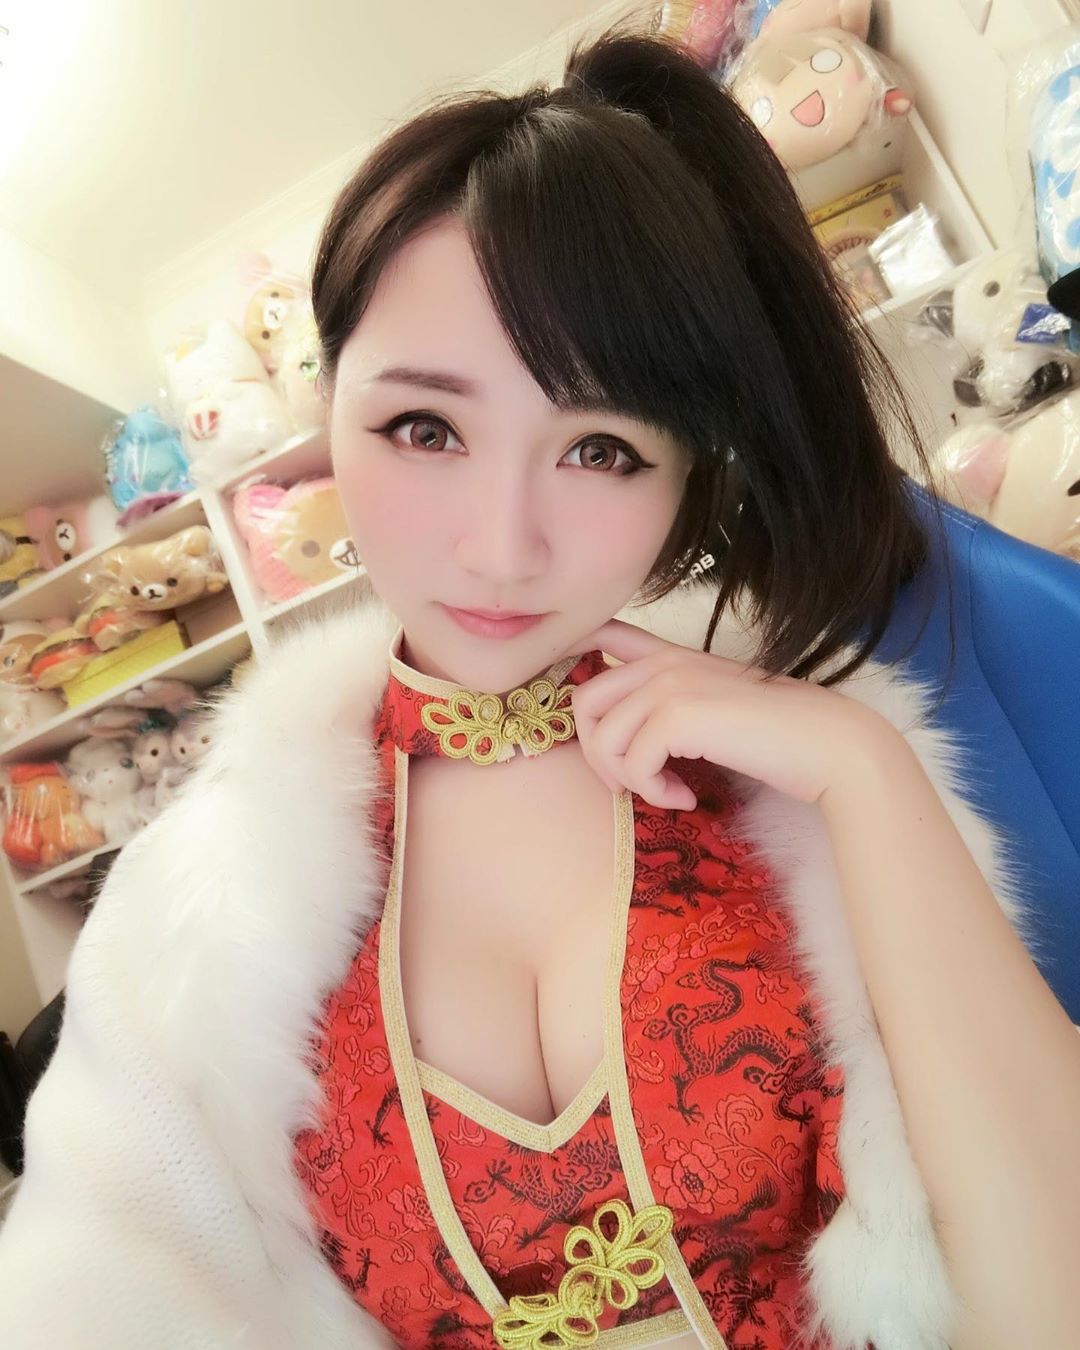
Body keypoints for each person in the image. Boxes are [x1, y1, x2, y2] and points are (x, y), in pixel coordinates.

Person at [2, 17, 1078, 1350]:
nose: (502, 547)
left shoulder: (803, 768)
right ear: (330, 408)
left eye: (603, 450)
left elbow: (1053, 1284)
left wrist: (865, 773)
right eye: (424, 427)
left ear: (689, 471)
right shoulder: (196, 907)